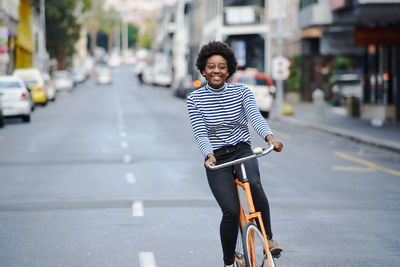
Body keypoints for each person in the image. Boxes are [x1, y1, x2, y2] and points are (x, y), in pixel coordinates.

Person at [186, 41, 283, 267]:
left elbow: (255, 117)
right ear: (203, 70)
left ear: (229, 69)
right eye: (211, 66)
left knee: (255, 188)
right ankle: (228, 262)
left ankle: (268, 238)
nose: (216, 71)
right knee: (230, 211)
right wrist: (208, 155)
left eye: (221, 66)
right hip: (216, 157)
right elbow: (200, 133)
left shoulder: (242, 92)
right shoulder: (195, 99)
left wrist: (270, 138)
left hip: (241, 149)